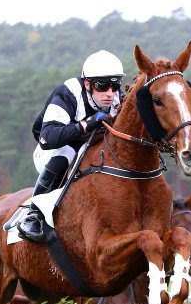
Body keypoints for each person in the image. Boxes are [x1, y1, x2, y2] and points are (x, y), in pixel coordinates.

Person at [17, 50, 126, 243]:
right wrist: (85, 125)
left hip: (89, 149)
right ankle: (33, 215)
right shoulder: (68, 93)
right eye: (102, 86)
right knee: (68, 151)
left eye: (115, 85)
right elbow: (47, 138)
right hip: (53, 150)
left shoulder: (118, 98)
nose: (110, 93)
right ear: (87, 84)